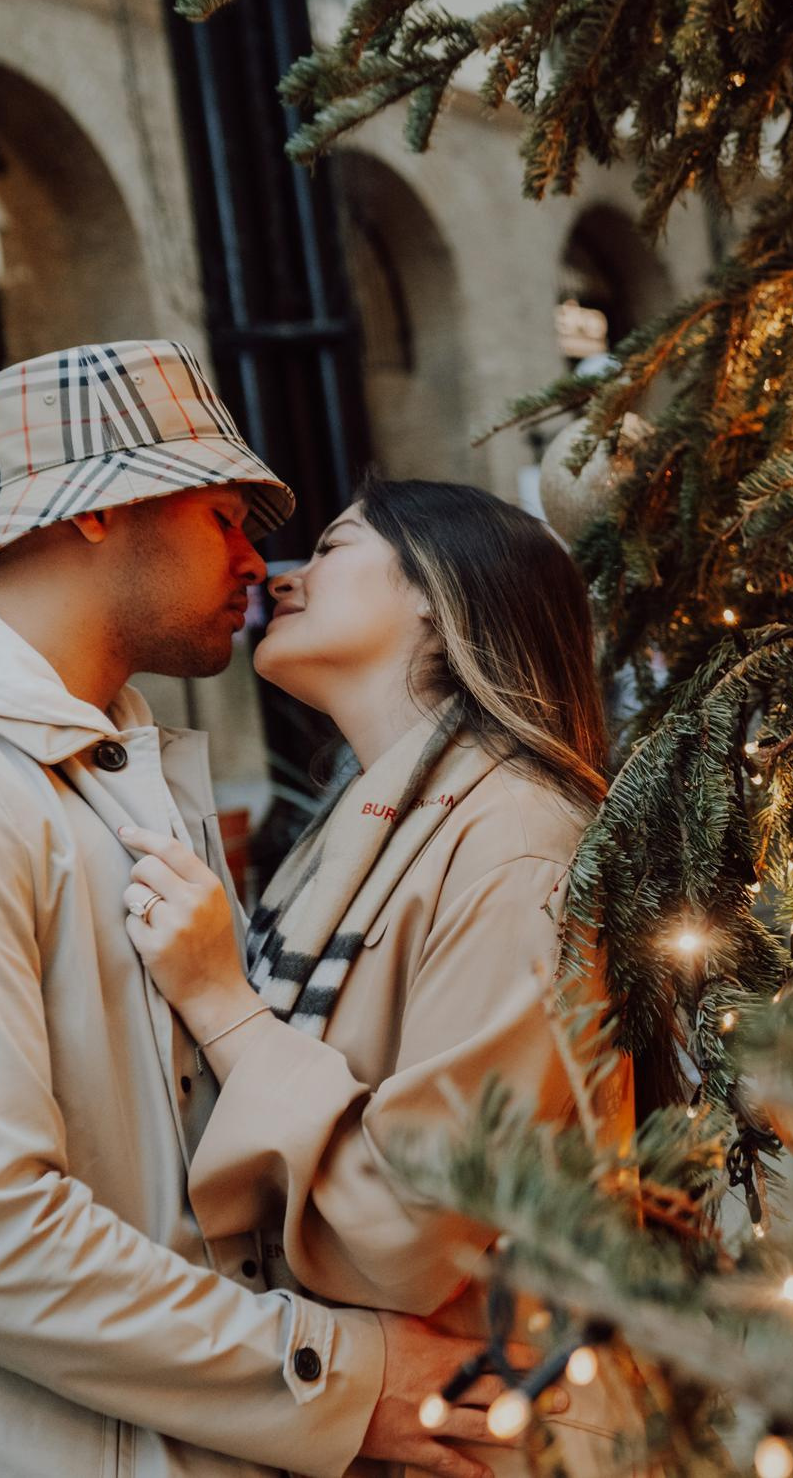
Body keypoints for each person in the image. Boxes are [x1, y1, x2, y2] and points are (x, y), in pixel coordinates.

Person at [0, 341, 503, 1478]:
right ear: (102, 509)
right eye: (224, 516)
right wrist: (339, 1378)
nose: (257, 560)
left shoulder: (108, 768)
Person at [112, 478, 638, 1477]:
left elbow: (421, 1219)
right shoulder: (357, 825)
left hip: (497, 1429)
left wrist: (222, 1002)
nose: (280, 570)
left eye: (337, 544)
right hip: (399, 1419)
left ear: (440, 599)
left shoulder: (519, 834)